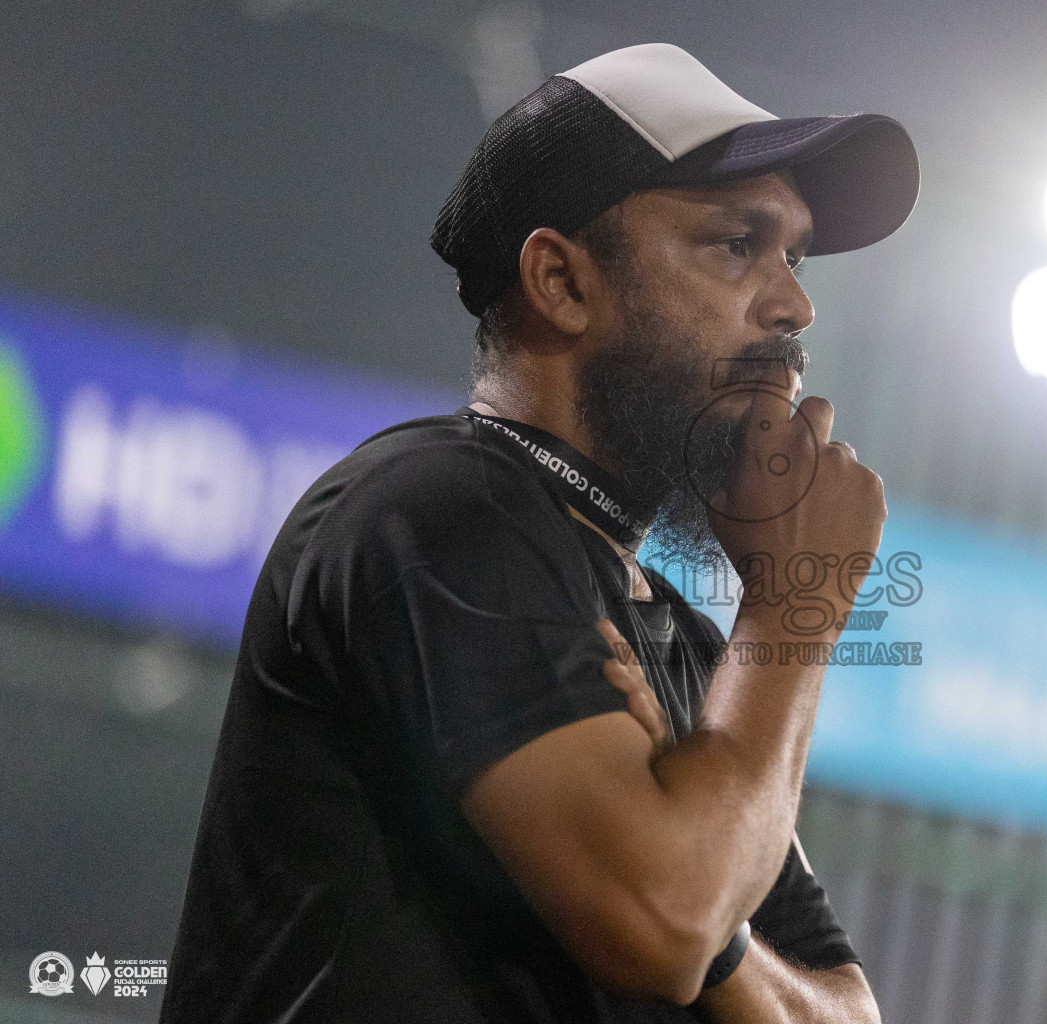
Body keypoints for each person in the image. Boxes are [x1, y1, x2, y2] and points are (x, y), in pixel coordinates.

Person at [161, 41, 918, 1023]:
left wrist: (713, 908)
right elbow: (662, 915)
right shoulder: (434, 509)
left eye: (795, 254)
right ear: (561, 280)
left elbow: (842, 1008)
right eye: (737, 245)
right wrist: (793, 606)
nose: (795, 303)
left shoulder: (685, 644)